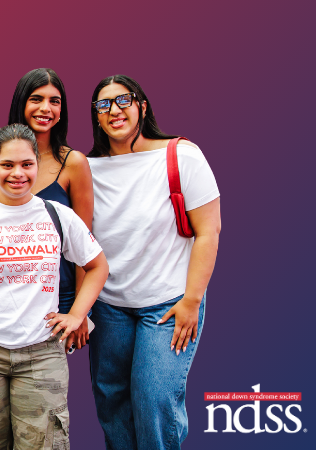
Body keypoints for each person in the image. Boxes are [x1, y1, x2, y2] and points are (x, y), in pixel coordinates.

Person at [0, 124, 109, 449]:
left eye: (26, 164)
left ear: (37, 164)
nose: (17, 173)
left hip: (42, 354)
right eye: (7, 165)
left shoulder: (57, 215)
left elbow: (98, 265)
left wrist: (76, 315)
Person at [86, 74, 221, 449]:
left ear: (142, 106)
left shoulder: (181, 155)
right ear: (95, 117)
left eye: (123, 100)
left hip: (167, 305)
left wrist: (192, 300)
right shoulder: (88, 169)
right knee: (112, 403)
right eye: (103, 104)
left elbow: (208, 231)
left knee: (155, 402)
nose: (114, 110)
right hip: (109, 307)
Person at [8, 68, 95, 352]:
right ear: (21, 103)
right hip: (6, 292)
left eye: (55, 101)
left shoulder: (73, 163)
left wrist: (80, 311)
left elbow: (85, 242)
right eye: (36, 99)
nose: (46, 108)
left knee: (44, 387)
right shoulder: (1, 159)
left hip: (59, 293)